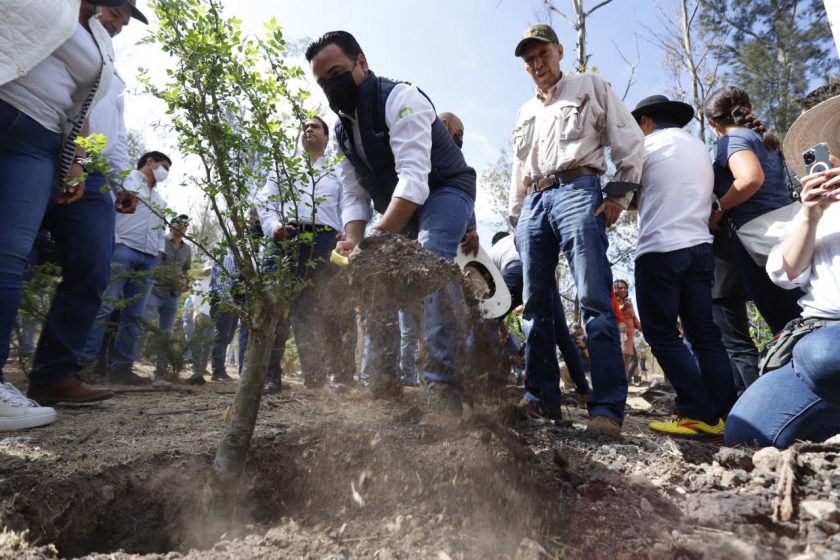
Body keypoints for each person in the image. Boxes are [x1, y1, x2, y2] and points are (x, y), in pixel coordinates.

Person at [306, 31, 476, 430]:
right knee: (372, 271)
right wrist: (354, 239)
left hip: (444, 189)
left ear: (361, 63)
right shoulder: (342, 135)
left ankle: (445, 391)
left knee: (432, 261)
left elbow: (414, 178)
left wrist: (377, 237)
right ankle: (382, 380)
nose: (331, 86)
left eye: (336, 73)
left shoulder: (401, 98)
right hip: (399, 208)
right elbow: (353, 195)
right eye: (322, 82)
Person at [0, 0, 142, 426]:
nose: (120, 23)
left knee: (63, 260)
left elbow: (87, 113)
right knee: (12, 255)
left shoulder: (104, 55)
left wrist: (93, 167)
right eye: (117, 12)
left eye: (126, 19)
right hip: (14, 112)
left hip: (52, 147)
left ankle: (54, 373)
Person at [508, 24, 643, 434]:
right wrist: (518, 219)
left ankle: (606, 409)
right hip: (534, 201)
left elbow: (629, 138)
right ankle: (541, 397)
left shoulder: (589, 86)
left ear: (560, 51)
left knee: (594, 298)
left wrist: (618, 195)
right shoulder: (524, 112)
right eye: (529, 60)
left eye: (543, 54)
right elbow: (518, 170)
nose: (537, 64)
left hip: (579, 190)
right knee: (534, 305)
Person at [630, 94, 737, 439]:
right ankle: (724, 414)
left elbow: (627, 195)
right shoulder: (698, 148)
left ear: (646, 121)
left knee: (661, 333)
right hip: (700, 248)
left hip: (661, 248)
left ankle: (696, 411)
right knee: (704, 333)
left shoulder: (646, 147)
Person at [725, 159, 840, 447]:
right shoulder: (812, 212)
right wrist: (810, 216)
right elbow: (785, 274)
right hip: (817, 334)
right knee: (744, 435)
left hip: (825, 349)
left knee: (824, 353)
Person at [256, 116, 354, 392]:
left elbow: (349, 203)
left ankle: (318, 377)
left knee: (318, 308)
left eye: (315, 126)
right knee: (278, 307)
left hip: (325, 242)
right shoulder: (284, 168)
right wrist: (274, 227)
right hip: (286, 237)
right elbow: (265, 201)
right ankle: (271, 375)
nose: (308, 129)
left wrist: (347, 232)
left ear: (327, 137)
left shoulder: (338, 171)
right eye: (305, 127)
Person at [704, 86, 802, 334]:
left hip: (761, 239)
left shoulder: (732, 140)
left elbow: (750, 179)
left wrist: (718, 206)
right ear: (749, 108)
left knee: (787, 326)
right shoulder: (761, 139)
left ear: (710, 122)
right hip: (792, 227)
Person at [79, 150, 171, 385]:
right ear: (149, 161)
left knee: (134, 315)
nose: (166, 172)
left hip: (149, 257)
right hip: (123, 249)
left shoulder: (159, 199)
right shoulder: (126, 180)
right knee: (105, 305)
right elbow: (108, 209)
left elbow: (160, 228)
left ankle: (122, 368)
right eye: (163, 166)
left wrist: (160, 250)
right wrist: (116, 239)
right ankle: (83, 365)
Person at [490, 231, 591, 398]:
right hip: (544, 275)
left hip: (516, 271)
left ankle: (476, 380)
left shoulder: (494, 251)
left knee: (483, 322)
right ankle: (583, 388)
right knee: (563, 336)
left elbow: (492, 299)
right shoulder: (520, 235)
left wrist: (497, 322)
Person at [145, 214, 192, 378]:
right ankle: (127, 364)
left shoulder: (187, 249)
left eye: (185, 225)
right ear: (172, 225)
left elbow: (186, 270)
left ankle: (161, 368)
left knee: (166, 332)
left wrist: (185, 283)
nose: (182, 227)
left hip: (173, 294)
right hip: (155, 290)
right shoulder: (161, 241)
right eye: (179, 224)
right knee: (143, 324)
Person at [612, 279, 641, 377]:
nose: (623, 290)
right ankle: (616, 382)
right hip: (619, 332)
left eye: (625, 288)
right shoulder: (612, 300)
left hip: (630, 334)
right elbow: (613, 314)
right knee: (620, 358)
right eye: (620, 288)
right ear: (615, 289)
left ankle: (623, 382)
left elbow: (634, 317)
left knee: (627, 359)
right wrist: (623, 307)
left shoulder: (629, 302)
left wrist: (640, 326)